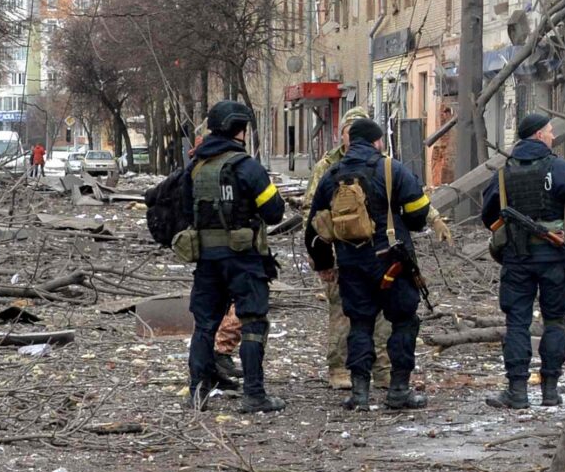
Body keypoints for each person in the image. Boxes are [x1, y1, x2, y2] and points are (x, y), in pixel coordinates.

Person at [306, 115, 433, 410]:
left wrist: (324, 264)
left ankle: (360, 393)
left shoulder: (333, 174)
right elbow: (418, 215)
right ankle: (399, 390)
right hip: (392, 262)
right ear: (377, 141)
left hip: (351, 263)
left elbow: (315, 227)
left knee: (360, 324)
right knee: (403, 321)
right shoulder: (392, 169)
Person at [480, 110, 565, 409]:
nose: (553, 136)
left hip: (517, 259)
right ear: (538, 135)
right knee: (555, 321)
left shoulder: (503, 173)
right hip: (555, 258)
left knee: (517, 322)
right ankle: (550, 390)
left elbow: (488, 217)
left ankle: (517, 391)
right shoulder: (562, 169)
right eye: (549, 131)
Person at [180, 101, 288, 414]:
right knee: (253, 321)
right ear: (239, 129)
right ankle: (254, 394)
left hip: (207, 260)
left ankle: (198, 391)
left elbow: (185, 211)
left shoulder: (195, 167)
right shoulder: (247, 166)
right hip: (244, 259)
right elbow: (275, 211)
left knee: (205, 324)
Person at [304, 113, 389, 396]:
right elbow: (313, 216)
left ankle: (381, 370)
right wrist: (322, 259)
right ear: (342, 135)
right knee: (341, 312)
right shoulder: (327, 168)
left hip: (375, 252)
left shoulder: (380, 164)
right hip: (339, 253)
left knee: (380, 316)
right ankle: (339, 368)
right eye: (348, 131)